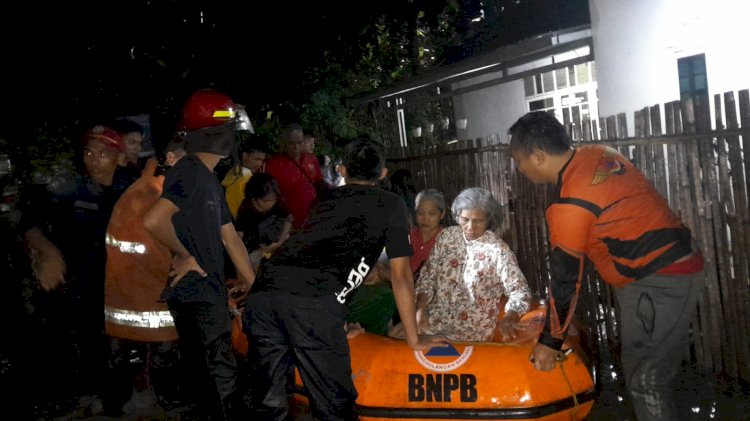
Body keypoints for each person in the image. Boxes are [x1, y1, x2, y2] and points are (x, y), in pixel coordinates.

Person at [508, 111, 705, 421]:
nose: (520, 168)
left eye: (520, 160)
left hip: (660, 280)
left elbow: (565, 281)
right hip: (660, 271)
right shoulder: (600, 154)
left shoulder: (570, 204)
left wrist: (550, 341)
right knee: (645, 373)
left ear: (539, 156)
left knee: (646, 383)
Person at [243, 139, 449, 421]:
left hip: (264, 292)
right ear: (383, 174)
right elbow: (401, 276)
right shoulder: (390, 204)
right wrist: (413, 339)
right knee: (335, 407)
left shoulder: (324, 199)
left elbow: (314, 254)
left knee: (270, 403)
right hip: (312, 305)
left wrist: (335, 320)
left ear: (341, 170)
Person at [143, 88, 256, 421]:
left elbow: (230, 238)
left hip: (204, 294)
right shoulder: (191, 172)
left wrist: (257, 288)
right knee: (219, 380)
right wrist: (184, 254)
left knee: (212, 379)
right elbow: (154, 220)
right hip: (196, 295)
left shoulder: (207, 180)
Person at [19, 125, 131, 416]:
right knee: (85, 345)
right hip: (82, 284)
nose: (94, 159)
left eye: (104, 153)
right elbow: (31, 224)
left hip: (123, 284)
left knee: (118, 350)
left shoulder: (133, 190)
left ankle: (117, 400)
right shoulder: (71, 190)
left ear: (119, 157)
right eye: (89, 152)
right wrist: (49, 253)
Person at [103, 136, 186, 417]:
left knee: (131, 351)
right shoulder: (155, 193)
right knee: (154, 351)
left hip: (125, 292)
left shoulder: (143, 187)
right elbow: (160, 250)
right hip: (147, 294)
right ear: (173, 160)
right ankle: (152, 399)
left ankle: (133, 398)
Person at [390, 187, 532, 342]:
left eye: (478, 221)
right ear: (457, 216)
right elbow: (427, 279)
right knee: (393, 336)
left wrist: (511, 316)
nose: (470, 228)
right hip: (434, 319)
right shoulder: (446, 237)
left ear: (489, 220)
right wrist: (420, 309)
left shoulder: (497, 250)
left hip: (470, 329)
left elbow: (520, 291)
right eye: (465, 219)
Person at [263, 123, 325, 229]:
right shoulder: (274, 164)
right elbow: (270, 196)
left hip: (314, 219)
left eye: (299, 143)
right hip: (290, 225)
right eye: (292, 144)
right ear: (284, 143)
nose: (296, 147)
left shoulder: (311, 159)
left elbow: (320, 184)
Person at [234, 172, 292, 271]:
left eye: (272, 200)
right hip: (252, 247)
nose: (270, 204)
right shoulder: (246, 210)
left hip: (277, 241)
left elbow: (288, 220)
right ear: (254, 198)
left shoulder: (279, 203)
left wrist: (280, 241)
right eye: (265, 201)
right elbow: (238, 239)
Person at [221, 135, 269, 218]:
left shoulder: (232, 174)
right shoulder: (247, 179)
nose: (259, 164)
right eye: (256, 159)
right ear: (245, 156)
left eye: (262, 160)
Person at [409, 188, 446, 279]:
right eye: (420, 213)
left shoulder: (447, 241)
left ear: (442, 214)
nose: (425, 219)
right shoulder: (408, 237)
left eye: (432, 214)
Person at [111, 118, 145, 187]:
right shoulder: (105, 170)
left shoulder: (134, 168)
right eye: (132, 142)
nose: (138, 148)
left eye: (140, 143)